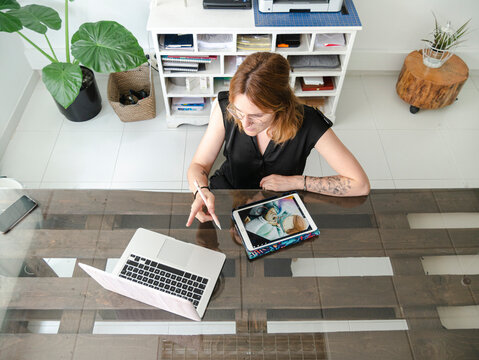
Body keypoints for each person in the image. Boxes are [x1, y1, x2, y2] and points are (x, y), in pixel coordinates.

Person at [186, 52, 370, 227]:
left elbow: (360, 184)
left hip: (278, 206)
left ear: (280, 106)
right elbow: (199, 165)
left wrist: (297, 182)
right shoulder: (225, 107)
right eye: (238, 112)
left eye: (257, 115)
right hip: (226, 194)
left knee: (275, 259)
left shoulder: (309, 122)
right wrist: (200, 191)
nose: (245, 123)